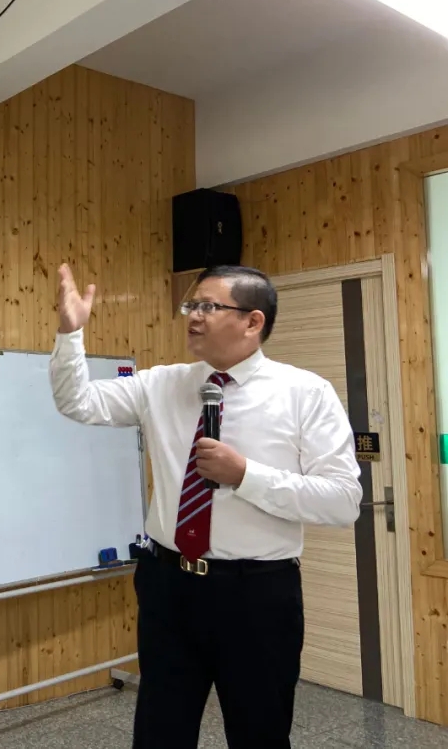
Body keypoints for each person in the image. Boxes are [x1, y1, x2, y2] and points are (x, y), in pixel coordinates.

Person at [49, 263, 362, 749]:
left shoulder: (305, 393)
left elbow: (343, 500)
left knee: (259, 734)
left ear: (253, 321)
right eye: (190, 305)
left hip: (257, 595)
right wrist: (71, 335)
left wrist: (246, 475)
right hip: (168, 585)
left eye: (208, 306)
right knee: (160, 732)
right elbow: (78, 401)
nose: (193, 315)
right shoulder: (161, 384)